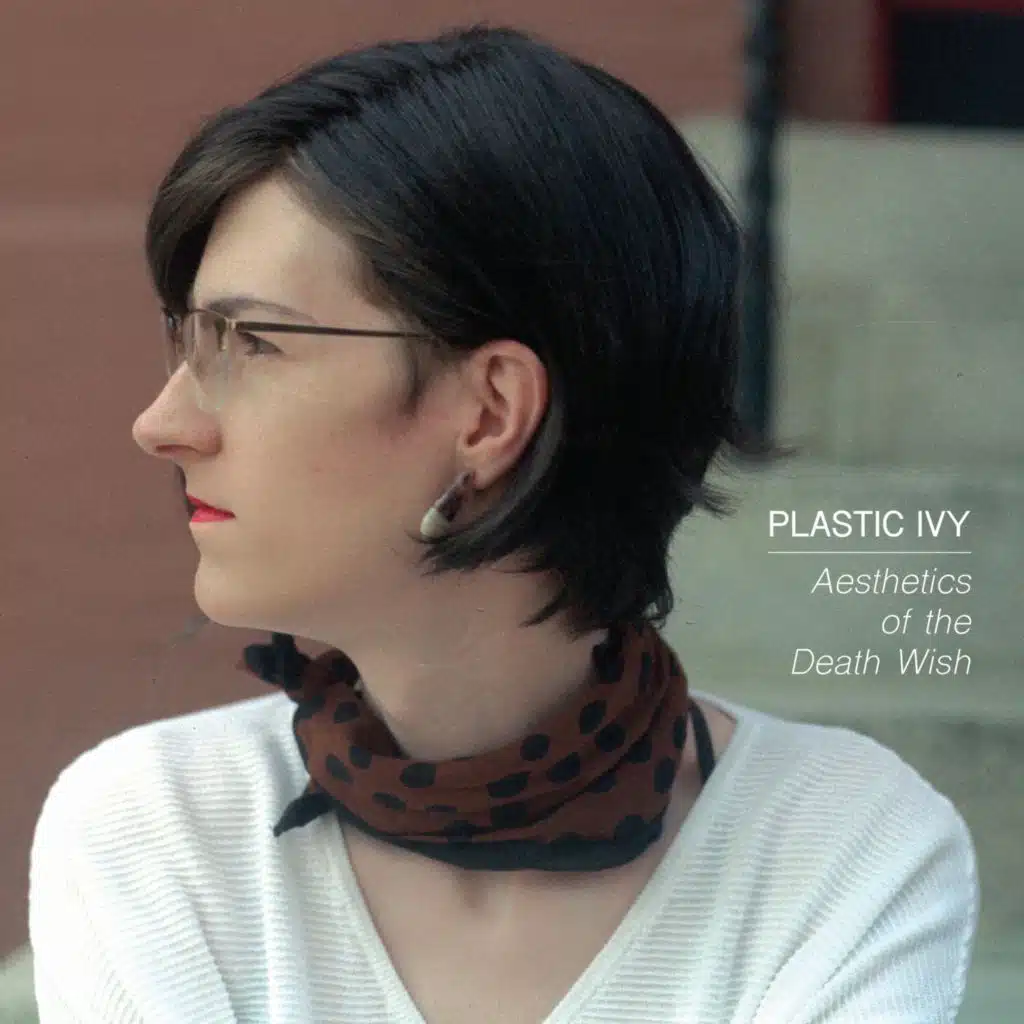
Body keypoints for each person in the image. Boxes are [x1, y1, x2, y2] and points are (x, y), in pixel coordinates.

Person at [28, 25, 978, 1024]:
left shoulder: (843, 846)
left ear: (490, 413)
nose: (161, 423)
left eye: (252, 342)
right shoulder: (156, 831)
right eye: (185, 342)